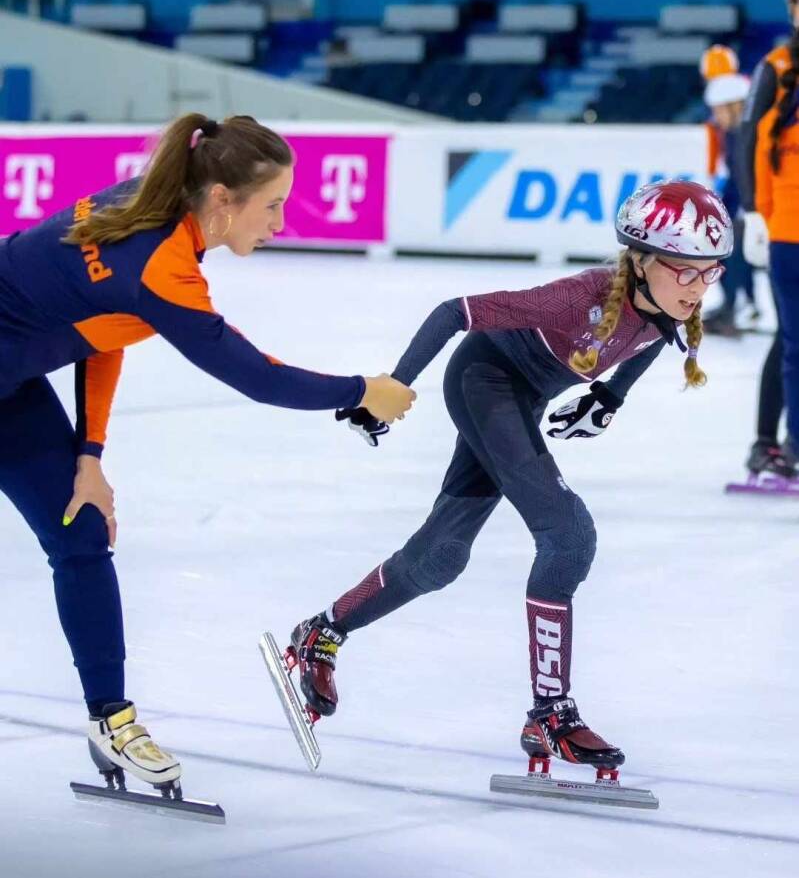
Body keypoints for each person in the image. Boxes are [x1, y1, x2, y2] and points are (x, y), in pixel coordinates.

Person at [0, 113, 415, 792]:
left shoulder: (150, 205)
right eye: (273, 204)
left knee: (80, 532)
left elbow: (102, 331)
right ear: (221, 199)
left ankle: (111, 720)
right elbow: (257, 376)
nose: (281, 222)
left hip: (9, 383)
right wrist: (360, 390)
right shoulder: (162, 262)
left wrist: (90, 454)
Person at [285, 180, 732, 779]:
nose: (699, 288)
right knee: (568, 534)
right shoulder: (576, 299)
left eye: (712, 273)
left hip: (521, 400)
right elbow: (453, 313)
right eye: (686, 271)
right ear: (641, 259)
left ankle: (322, 633)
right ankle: (550, 713)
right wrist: (392, 386)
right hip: (484, 382)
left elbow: (652, 336)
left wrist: (610, 395)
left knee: (441, 557)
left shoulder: (666, 298)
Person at [737, 0, 798, 480]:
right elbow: (747, 138)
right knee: (792, 339)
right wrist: (754, 210)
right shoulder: (775, 68)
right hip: (787, 230)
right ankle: (774, 443)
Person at [754, 58, 799, 479]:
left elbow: (764, 191)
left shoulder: (774, 119)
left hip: (784, 241)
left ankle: (790, 445)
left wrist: (772, 223)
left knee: (791, 346)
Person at [700, 48, 756, 337]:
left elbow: (747, 174)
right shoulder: (735, 131)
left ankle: (740, 306)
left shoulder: (743, 134)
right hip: (744, 201)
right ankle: (737, 304)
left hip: (753, 204)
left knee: (734, 252)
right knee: (730, 250)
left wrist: (744, 208)